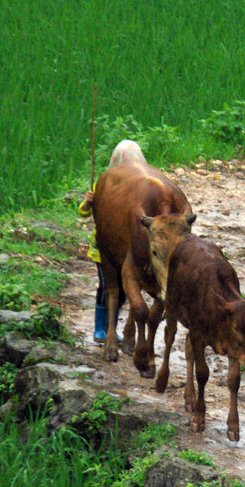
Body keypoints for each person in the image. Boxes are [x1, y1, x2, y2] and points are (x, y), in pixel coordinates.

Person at [78, 140, 146, 343]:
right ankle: (100, 328)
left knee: (124, 290)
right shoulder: (104, 183)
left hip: (123, 249)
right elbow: (82, 213)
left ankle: (112, 328)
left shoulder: (138, 186)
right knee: (106, 286)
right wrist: (89, 201)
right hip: (102, 248)